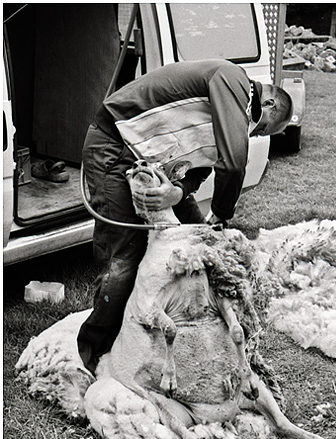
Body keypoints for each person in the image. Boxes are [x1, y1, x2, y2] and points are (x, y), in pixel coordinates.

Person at [77, 58, 292, 374]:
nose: (258, 135)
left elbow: (201, 167)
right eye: (265, 129)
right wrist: (220, 215)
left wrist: (176, 193)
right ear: (269, 103)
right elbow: (232, 164)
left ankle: (191, 333)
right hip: (115, 145)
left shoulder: (231, 107)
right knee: (126, 257)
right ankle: (96, 354)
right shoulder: (231, 79)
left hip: (151, 160)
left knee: (198, 243)